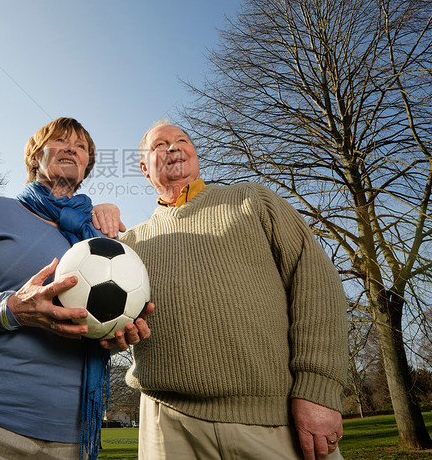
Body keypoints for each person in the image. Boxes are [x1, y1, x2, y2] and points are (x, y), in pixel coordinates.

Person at [0, 117, 152, 460]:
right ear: (35, 157)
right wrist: (11, 309)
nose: (72, 147)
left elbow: (91, 328)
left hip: (69, 439)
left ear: (86, 166)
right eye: (59, 140)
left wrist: (115, 338)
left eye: (82, 146)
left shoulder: (101, 240)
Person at [120, 120, 348, 460]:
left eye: (182, 139)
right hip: (165, 426)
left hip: (274, 421)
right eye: (159, 145)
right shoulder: (129, 243)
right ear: (144, 168)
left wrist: (318, 391)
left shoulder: (253, 200)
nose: (173, 147)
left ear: (195, 154)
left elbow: (316, 284)